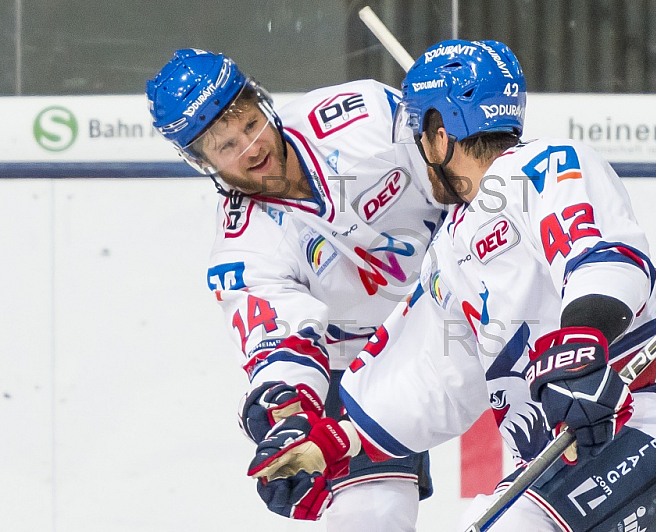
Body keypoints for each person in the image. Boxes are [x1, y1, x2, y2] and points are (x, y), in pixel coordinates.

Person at [248, 40, 656, 532]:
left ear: (439, 134)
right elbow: (431, 381)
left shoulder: (543, 167)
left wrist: (579, 340)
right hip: (575, 460)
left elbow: (604, 260)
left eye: (419, 133)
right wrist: (333, 444)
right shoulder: (449, 254)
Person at [146, 49, 447, 531]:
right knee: (368, 521)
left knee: (575, 424)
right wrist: (286, 419)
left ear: (263, 103)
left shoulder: (361, 115)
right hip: (364, 368)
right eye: (225, 146)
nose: (250, 148)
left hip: (466, 302)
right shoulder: (243, 249)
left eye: (248, 124)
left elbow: (457, 166)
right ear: (200, 163)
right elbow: (281, 349)